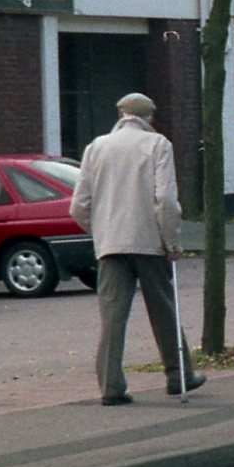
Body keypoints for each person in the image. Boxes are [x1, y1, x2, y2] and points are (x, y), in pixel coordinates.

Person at [69, 93, 204, 405]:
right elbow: (165, 200)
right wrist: (171, 242)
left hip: (110, 245)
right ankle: (178, 376)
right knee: (163, 311)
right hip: (149, 242)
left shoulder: (96, 147)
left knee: (112, 317)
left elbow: (78, 206)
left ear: (120, 115)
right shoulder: (158, 145)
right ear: (149, 118)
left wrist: (100, 231)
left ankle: (110, 387)